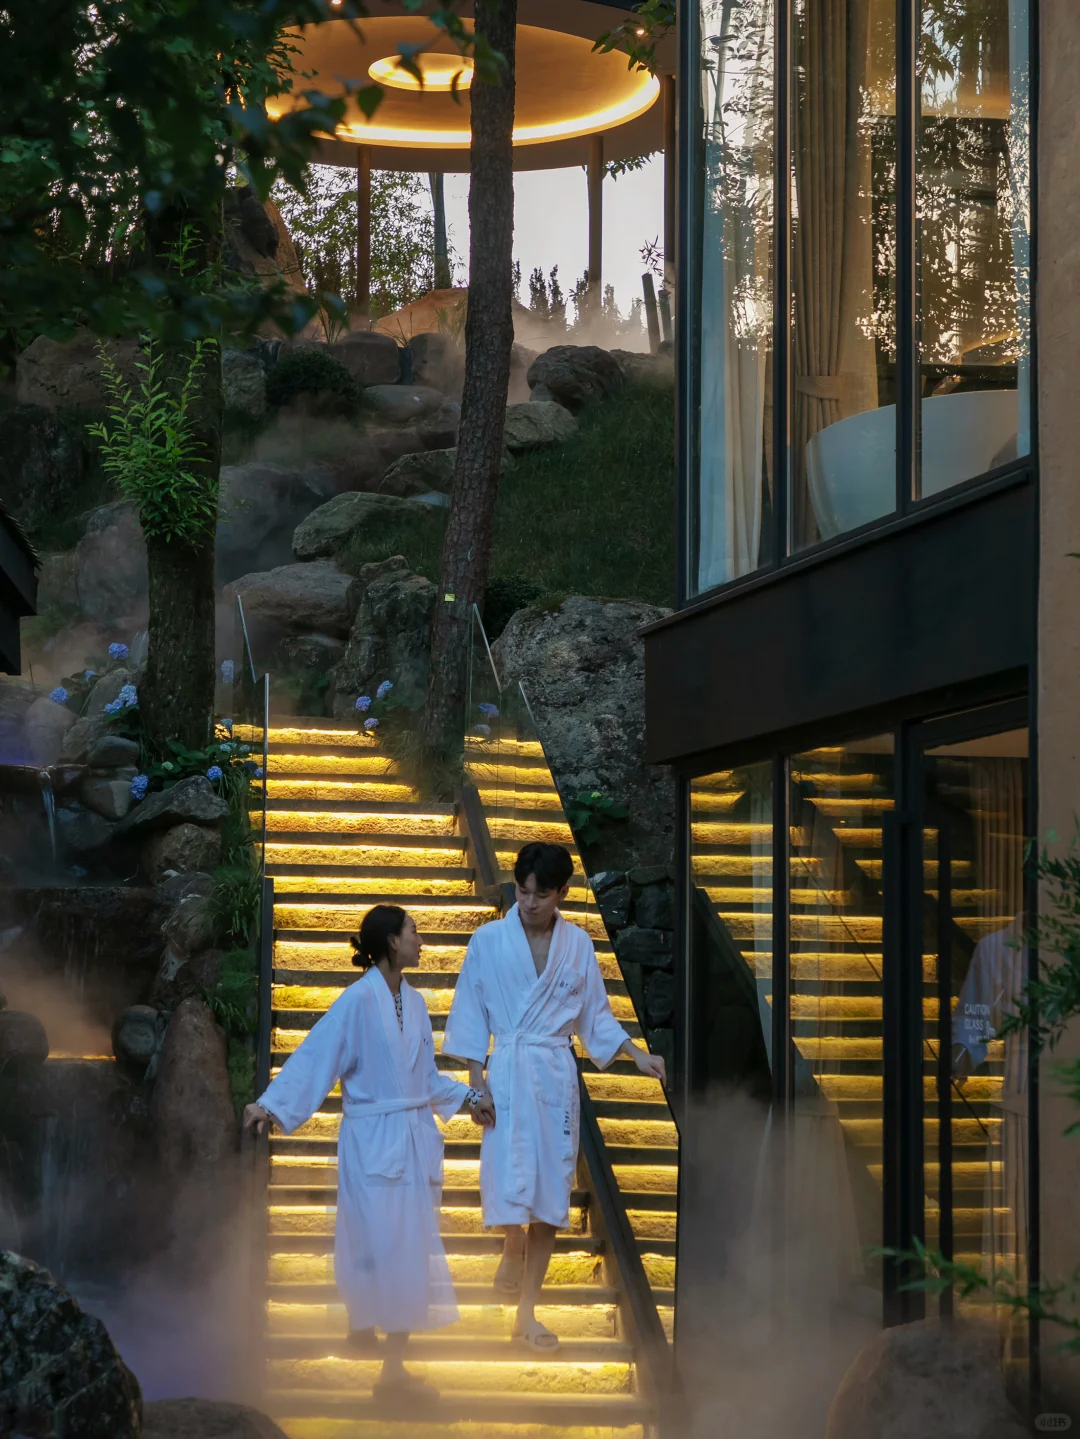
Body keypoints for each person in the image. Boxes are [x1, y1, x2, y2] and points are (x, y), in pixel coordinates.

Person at [243, 904, 495, 1402]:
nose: (421, 940)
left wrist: (470, 1098)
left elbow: (424, 1081)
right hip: (371, 1142)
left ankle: (392, 1369)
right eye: (414, 931)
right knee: (368, 1242)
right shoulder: (357, 1001)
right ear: (392, 942)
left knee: (408, 1253)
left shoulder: (416, 1003)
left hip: (410, 1138)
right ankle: (362, 1325)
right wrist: (271, 1106)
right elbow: (318, 1055)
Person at [442, 841, 667, 1353]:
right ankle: (511, 1241)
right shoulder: (488, 941)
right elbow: (470, 1014)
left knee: (549, 1196)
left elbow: (595, 1014)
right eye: (522, 892)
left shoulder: (578, 945)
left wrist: (635, 1054)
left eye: (541, 895)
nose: (529, 902)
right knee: (507, 1176)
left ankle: (526, 1314)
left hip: (552, 1074)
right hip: (508, 1072)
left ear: (563, 892)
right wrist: (476, 1087)